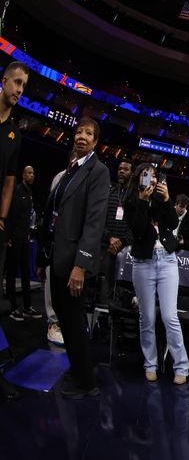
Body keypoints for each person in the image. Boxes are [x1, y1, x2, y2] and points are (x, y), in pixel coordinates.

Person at [38, 117, 110, 399]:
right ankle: (79, 368)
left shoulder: (98, 171)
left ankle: (86, 382)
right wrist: (43, 257)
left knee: (73, 318)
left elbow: (93, 222)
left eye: (88, 133)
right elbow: (52, 214)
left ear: (95, 142)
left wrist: (81, 264)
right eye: (78, 131)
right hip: (56, 255)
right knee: (64, 315)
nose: (82, 135)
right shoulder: (69, 171)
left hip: (74, 261)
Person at [125, 164, 189, 385]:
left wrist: (168, 199)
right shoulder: (131, 200)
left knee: (170, 317)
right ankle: (150, 364)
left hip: (168, 262)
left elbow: (172, 224)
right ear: (138, 178)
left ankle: (181, 366)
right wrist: (143, 200)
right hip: (143, 263)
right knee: (148, 318)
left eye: (154, 176)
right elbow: (139, 230)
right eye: (146, 175)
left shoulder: (163, 199)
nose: (151, 179)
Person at [0, 60, 28, 401]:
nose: (19, 90)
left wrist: (2, 219)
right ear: (3, 81)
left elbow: (8, 183)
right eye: (16, 83)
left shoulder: (14, 134)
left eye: (23, 86)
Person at [44, 151, 76, 346]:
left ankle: (65, 322)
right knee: (51, 281)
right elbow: (52, 210)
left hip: (74, 241)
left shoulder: (89, 179)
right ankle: (53, 323)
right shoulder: (60, 177)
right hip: (56, 237)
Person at [6, 165, 40, 319]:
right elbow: (11, 216)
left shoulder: (29, 193)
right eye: (29, 173)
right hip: (15, 237)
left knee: (26, 272)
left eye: (33, 173)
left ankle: (27, 306)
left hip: (25, 237)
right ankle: (13, 307)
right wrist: (10, 238)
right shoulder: (17, 191)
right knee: (12, 272)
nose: (32, 175)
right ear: (23, 174)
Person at [101, 159, 133, 303]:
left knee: (123, 286)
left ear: (132, 173)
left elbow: (136, 225)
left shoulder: (135, 196)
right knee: (108, 283)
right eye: (120, 168)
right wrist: (110, 239)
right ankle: (107, 312)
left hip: (127, 248)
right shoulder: (110, 192)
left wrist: (122, 242)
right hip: (109, 246)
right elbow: (101, 218)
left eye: (125, 169)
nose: (121, 171)